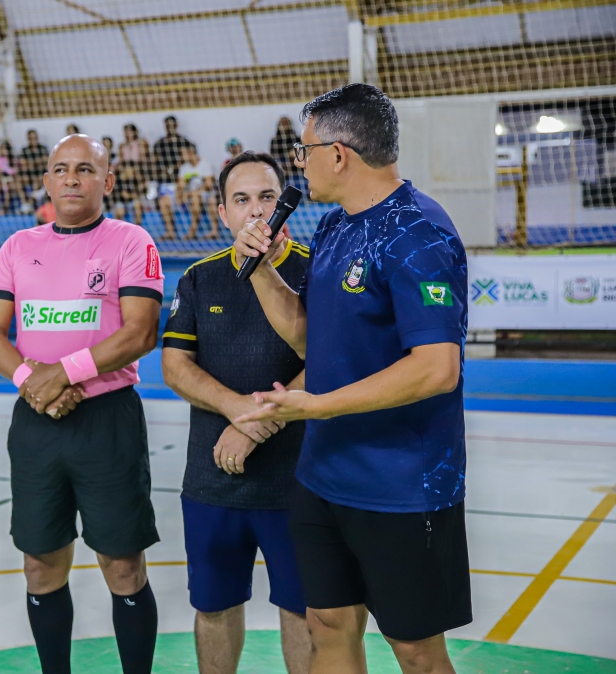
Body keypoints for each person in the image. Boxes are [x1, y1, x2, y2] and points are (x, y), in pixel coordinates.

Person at [233, 83, 471, 674]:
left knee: (416, 651)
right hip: (323, 475)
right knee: (328, 625)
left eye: (304, 149)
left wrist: (318, 406)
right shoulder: (336, 227)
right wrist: (259, 270)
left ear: (338, 154)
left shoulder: (419, 233)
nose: (299, 163)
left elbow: (437, 367)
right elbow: (312, 339)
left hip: (402, 484)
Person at [0, 134, 164, 674]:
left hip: (107, 420)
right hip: (36, 420)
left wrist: (61, 374)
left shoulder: (130, 241)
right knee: (40, 566)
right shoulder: (17, 246)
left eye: (85, 168)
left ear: (108, 180)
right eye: (60, 169)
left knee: (123, 567)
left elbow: (140, 332)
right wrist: (31, 382)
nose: (72, 178)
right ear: (46, 182)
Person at [161, 152, 312, 674]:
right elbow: (175, 367)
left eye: (267, 197)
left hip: (299, 481)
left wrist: (255, 426)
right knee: (214, 606)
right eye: (242, 200)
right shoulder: (199, 279)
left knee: (304, 611)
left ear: (285, 205)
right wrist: (239, 412)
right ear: (223, 213)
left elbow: (330, 362)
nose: (256, 211)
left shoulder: (318, 268)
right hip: (214, 479)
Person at [158, 143, 218, 240]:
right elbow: (180, 186)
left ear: (190, 153)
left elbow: (208, 185)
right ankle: (170, 232)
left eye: (182, 153)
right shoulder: (184, 168)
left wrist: (189, 194)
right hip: (188, 195)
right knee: (164, 200)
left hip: (203, 195)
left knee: (195, 197)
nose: (181, 156)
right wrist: (179, 195)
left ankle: (192, 232)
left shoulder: (206, 165)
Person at [152, 116, 192, 239]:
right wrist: (162, 171)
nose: (169, 127)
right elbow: (154, 161)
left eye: (171, 124)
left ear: (176, 125)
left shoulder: (183, 141)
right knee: (161, 202)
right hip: (164, 181)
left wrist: (174, 168)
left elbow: (187, 159)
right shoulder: (160, 143)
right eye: (167, 124)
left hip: (180, 182)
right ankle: (170, 231)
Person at [17, 129, 49, 213]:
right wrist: (38, 162)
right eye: (31, 138)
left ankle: (30, 205)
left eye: (35, 137)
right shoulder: (24, 150)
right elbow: (23, 164)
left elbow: (46, 161)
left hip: (40, 175)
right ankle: (25, 204)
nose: (33, 140)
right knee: (18, 181)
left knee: (36, 181)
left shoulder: (42, 149)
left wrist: (31, 163)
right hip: (28, 175)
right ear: (28, 139)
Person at [112, 160, 146, 226]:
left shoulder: (134, 180)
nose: (133, 172)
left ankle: (137, 227)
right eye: (132, 171)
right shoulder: (117, 180)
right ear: (126, 170)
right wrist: (134, 195)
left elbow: (139, 193)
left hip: (131, 203)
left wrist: (141, 187)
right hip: (120, 202)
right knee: (120, 211)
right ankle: (115, 229)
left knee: (138, 205)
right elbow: (124, 195)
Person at [270, 117, 302, 182]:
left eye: (286, 123)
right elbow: (273, 156)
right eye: (282, 124)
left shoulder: (296, 139)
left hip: (294, 166)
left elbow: (300, 156)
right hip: (281, 166)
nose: (284, 126)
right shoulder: (274, 140)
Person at [0, 141, 17, 215]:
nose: (3, 151)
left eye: (4, 149)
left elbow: (14, 172)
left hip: (9, 180)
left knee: (7, 192)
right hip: (1, 180)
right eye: (1, 149)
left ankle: (3, 209)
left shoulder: (12, 160)